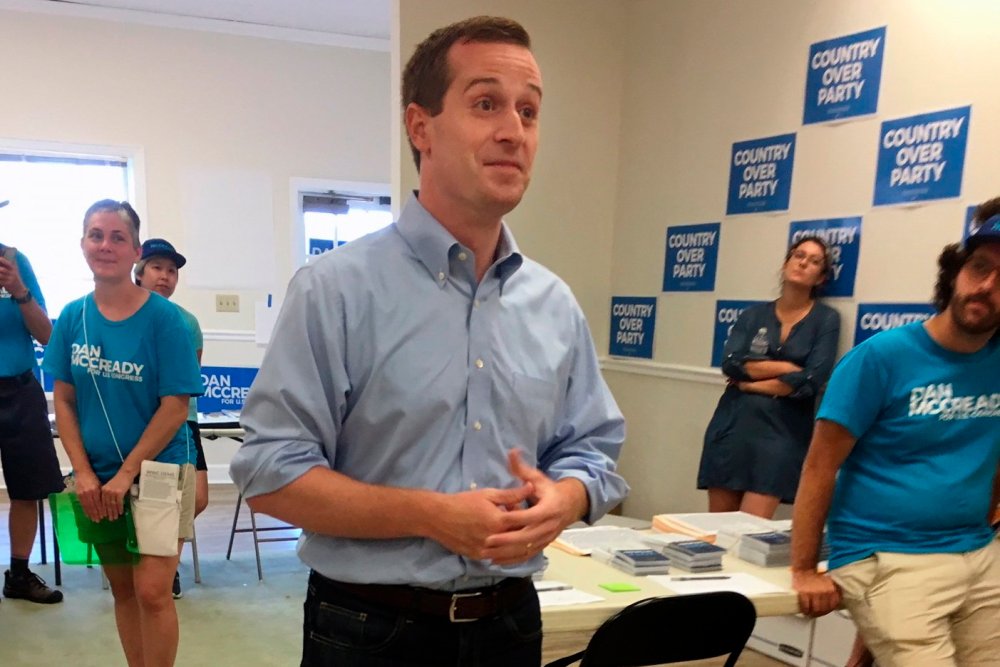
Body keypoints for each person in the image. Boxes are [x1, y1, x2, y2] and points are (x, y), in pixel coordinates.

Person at [230, 15, 627, 667]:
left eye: (528, 111)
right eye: (485, 104)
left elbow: (594, 448)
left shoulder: (553, 304)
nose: (513, 131)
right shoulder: (335, 290)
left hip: (511, 622)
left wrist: (566, 497)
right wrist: (431, 514)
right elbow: (272, 473)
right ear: (421, 127)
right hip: (370, 627)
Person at [791, 200, 1000, 667]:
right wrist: (804, 569)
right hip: (886, 554)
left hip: (978, 554)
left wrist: (983, 529)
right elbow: (820, 465)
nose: (986, 287)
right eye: (979, 267)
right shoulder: (881, 358)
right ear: (956, 272)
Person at [43, 200, 203, 667]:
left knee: (153, 591)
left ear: (135, 250)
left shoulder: (165, 321)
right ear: (83, 245)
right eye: (96, 235)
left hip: (158, 470)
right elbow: (65, 401)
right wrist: (85, 474)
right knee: (124, 590)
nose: (105, 245)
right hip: (97, 478)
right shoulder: (73, 317)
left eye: (117, 237)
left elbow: (175, 407)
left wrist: (127, 473)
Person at [698, 236, 840, 518]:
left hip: (782, 435)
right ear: (786, 263)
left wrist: (749, 383)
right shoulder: (752, 316)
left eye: (814, 261)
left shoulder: (826, 320)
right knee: (716, 533)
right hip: (732, 428)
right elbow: (731, 363)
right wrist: (787, 369)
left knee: (748, 533)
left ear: (821, 277)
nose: (803, 263)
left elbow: (810, 380)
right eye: (799, 255)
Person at [0, 202, 65, 605]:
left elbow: (47, 336)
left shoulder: (15, 261)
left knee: (28, 489)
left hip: (21, 391)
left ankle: (19, 575)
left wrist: (19, 290)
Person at [134, 237, 205, 600]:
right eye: (157, 268)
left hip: (182, 422)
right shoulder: (124, 313)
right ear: (140, 271)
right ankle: (156, 566)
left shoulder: (187, 322)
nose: (165, 276)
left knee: (198, 498)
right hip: (140, 423)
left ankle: (164, 563)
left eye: (172, 270)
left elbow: (188, 376)